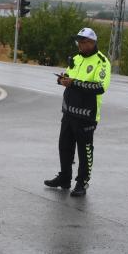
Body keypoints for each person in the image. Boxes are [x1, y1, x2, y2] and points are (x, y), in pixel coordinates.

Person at [44, 27, 111, 197]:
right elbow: (68, 77)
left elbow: (100, 87)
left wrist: (73, 83)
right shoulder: (75, 58)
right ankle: (64, 178)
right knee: (64, 147)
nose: (80, 45)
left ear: (92, 43)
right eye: (79, 42)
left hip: (87, 115)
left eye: (83, 42)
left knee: (85, 150)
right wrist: (62, 80)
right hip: (69, 111)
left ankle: (82, 182)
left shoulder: (102, 61)